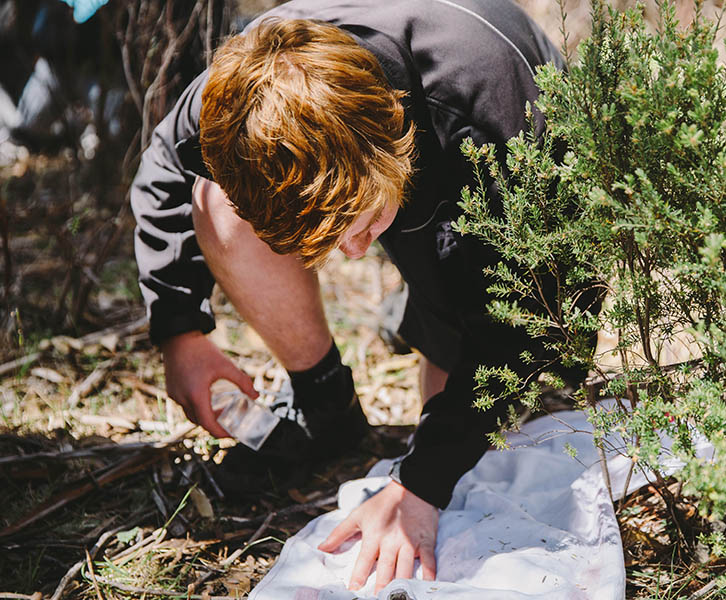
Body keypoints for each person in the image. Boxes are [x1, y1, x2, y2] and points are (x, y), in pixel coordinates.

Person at [130, 0, 590, 592]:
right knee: (217, 202)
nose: (351, 253)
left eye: (357, 226)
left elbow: (524, 324)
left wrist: (418, 486)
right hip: (388, 148)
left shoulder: (491, 112)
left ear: (393, 138)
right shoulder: (252, 84)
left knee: (465, 410)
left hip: (486, 172)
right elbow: (167, 162)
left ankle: (424, 301)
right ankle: (325, 403)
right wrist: (179, 332)